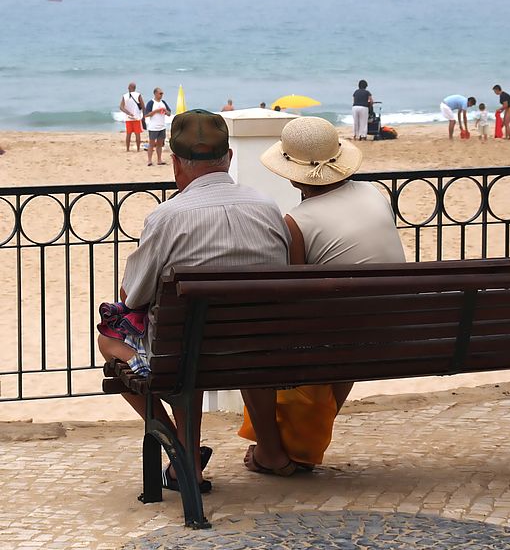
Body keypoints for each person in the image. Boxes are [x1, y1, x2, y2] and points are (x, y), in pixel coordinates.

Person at [96, 109, 290, 492]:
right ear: (229, 158)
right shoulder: (267, 208)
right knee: (197, 336)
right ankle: (264, 451)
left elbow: (132, 294)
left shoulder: (167, 218)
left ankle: (183, 455)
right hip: (259, 350)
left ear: (175, 164)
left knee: (112, 339)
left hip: (184, 355)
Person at [239, 116, 406, 476]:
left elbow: (296, 298)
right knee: (346, 335)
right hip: (391, 330)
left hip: (339, 336)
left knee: (248, 351)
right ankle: (304, 445)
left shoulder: (298, 220)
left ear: (293, 173)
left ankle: (271, 451)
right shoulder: (373, 194)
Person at [144, 88, 171, 166]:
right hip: (153, 127)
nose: (161, 95)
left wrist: (165, 111)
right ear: (155, 94)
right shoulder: (151, 103)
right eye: (160, 93)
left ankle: (159, 160)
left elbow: (169, 113)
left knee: (160, 144)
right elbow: (146, 114)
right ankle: (149, 160)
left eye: (162, 93)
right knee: (151, 144)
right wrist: (156, 111)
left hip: (162, 126)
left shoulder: (163, 102)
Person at [119, 82, 145, 152]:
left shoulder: (124, 96)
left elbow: (121, 107)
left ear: (129, 88)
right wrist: (144, 116)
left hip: (128, 118)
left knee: (128, 134)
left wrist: (128, 112)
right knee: (137, 134)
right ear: (135, 88)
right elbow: (143, 106)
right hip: (137, 118)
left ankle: (127, 149)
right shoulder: (138, 95)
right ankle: (138, 149)